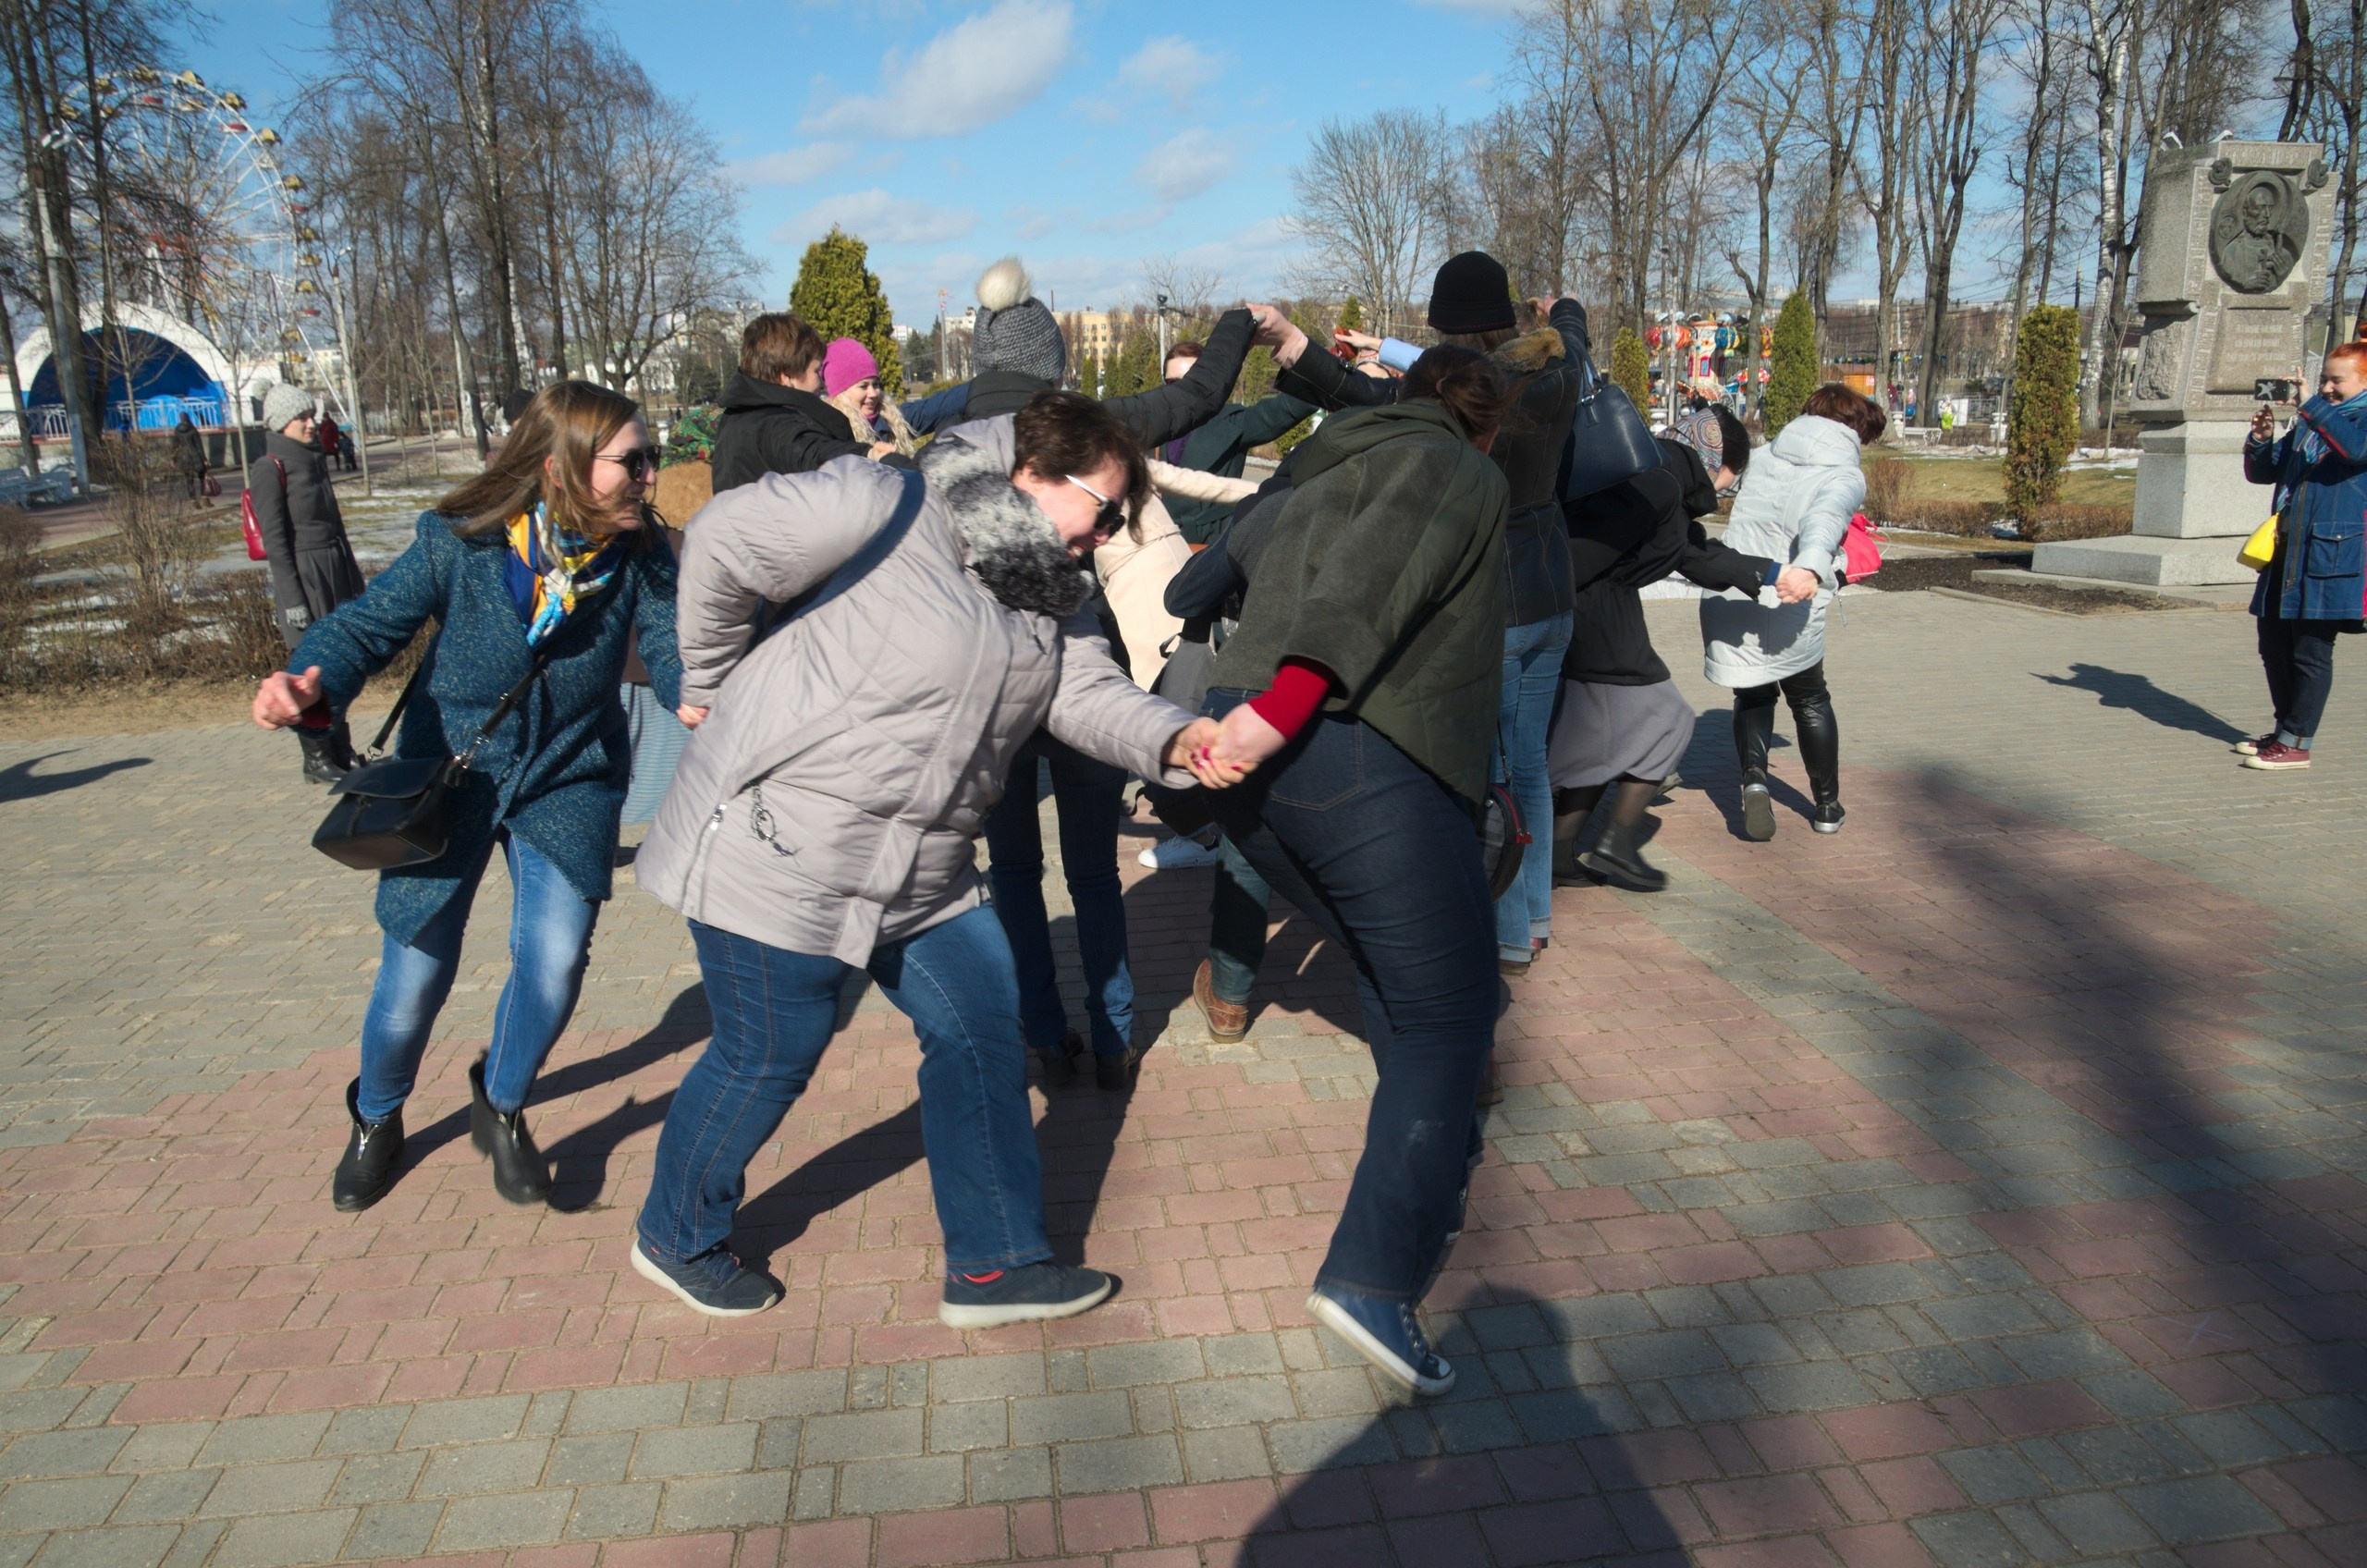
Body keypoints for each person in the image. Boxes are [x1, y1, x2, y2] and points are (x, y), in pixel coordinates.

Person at [632, 388, 1253, 1321]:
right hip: (783, 842)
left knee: (981, 1029)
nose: (1109, 535)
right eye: (1103, 509)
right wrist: (709, 679)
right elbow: (722, 535)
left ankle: (995, 1264)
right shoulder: (889, 505)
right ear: (1034, 474)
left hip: (920, 863)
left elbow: (1082, 694)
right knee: (772, 1050)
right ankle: (674, 1233)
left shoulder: (1052, 587)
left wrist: (1178, 739)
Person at [248, 381, 681, 1214]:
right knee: (414, 977)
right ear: (565, 465)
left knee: (553, 961)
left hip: (568, 772)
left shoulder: (642, 554)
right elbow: (368, 626)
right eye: (634, 460)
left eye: (649, 458)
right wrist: (313, 677)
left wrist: (696, 691)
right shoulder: (466, 543)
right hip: (453, 774)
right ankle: (377, 1116)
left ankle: (503, 1102)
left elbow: (667, 648)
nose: (649, 476)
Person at [1199, 347, 1515, 1396]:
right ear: (1485, 425)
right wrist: (1277, 709)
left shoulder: (1326, 460)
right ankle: (1375, 1278)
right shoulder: (1456, 471)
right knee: (1451, 1015)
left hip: (1261, 779)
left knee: (1401, 977)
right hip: (1348, 754)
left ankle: (1429, 1161)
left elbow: (1217, 562)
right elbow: (1368, 588)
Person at [1262, 255, 1589, 978]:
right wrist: (1562, 308)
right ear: (1507, 315)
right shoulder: (1557, 372)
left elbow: (1361, 400)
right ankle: (1531, 918)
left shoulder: (1463, 401)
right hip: (1553, 590)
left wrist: (1305, 350)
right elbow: (1574, 333)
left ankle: (1504, 930)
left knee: (1493, 772)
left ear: (1440, 324)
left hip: (1496, 600)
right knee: (1530, 762)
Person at [1551, 414, 1812, 889]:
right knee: (1667, 719)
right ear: (1718, 460)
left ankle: (1559, 852)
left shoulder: (1657, 474)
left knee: (1602, 740)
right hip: (1596, 611)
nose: (1725, 490)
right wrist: (1549, 593)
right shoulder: (1661, 484)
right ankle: (1615, 844)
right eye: (1731, 479)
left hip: (1595, 608)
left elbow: (1695, 554)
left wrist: (1773, 573)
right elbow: (1583, 550)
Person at [1700, 384, 1883, 839]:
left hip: (1737, 587)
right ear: (1853, 428)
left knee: (1754, 695)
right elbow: (1826, 519)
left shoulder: (1762, 455)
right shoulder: (1843, 474)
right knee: (1810, 698)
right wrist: (1811, 568)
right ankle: (1826, 806)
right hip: (1790, 593)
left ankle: (1755, 779)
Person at [2238, 342, 2367, 770]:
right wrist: (2260, 440)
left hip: (2333, 553)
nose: (2328, 387)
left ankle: (2297, 743)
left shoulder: (2351, 419)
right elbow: (2266, 472)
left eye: (2337, 380)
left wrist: (2313, 404)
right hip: (2285, 551)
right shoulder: (2313, 421)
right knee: (2273, 644)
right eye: (2324, 379)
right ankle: (2284, 730)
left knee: (2310, 651)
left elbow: (2355, 451)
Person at [249, 383, 367, 784]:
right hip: (304, 575)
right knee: (310, 667)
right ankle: (316, 757)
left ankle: (340, 748)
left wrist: (353, 580)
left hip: (332, 568)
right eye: (302, 418)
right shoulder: (269, 468)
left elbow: (336, 527)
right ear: (282, 423)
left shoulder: (314, 461)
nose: (311, 424)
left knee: (337, 659)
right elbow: (276, 542)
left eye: (311, 416)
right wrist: (293, 597)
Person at [1150, 341, 1314, 546]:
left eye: (1191, 381)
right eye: (1173, 382)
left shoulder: (1233, 422)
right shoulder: (1153, 429)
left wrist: (1318, 362)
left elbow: (1289, 407)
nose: (1181, 390)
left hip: (1215, 549)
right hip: (1165, 549)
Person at [710, 312, 893, 490]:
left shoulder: (737, 416)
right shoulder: (776, 424)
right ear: (787, 377)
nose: (821, 383)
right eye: (816, 371)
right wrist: (866, 454)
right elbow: (811, 452)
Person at [821, 337, 919, 459]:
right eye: (863, 386)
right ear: (840, 393)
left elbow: (938, 406)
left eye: (876, 384)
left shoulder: (892, 419)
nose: (873, 393)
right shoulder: (826, 437)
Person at [170, 413, 208, 506]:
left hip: (184, 458)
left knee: (189, 479)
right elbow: (199, 445)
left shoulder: (177, 430)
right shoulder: (192, 429)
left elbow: (175, 446)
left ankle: (192, 499)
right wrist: (204, 459)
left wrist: (173, 458)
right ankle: (203, 497)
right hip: (195, 455)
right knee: (202, 476)